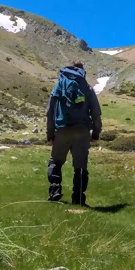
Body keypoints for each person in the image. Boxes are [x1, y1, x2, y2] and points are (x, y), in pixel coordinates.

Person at [46, 62, 102, 206]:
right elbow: (96, 113)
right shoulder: (87, 89)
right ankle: (78, 198)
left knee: (55, 162)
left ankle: (54, 191)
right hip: (82, 132)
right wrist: (95, 134)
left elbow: (50, 113)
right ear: (82, 72)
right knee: (80, 166)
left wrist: (50, 135)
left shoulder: (58, 86)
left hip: (62, 130)